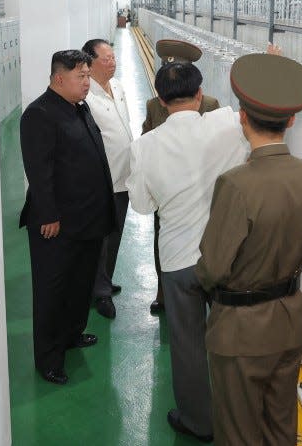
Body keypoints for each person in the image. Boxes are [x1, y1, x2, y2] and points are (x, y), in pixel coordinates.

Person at [195, 53, 302, 446]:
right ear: (291, 120)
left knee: (239, 432)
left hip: (240, 331)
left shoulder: (237, 184)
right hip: (289, 321)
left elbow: (213, 267)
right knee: (279, 428)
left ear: (241, 116)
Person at [128, 61, 250, 443]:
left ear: (161, 101)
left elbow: (143, 206)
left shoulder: (145, 146)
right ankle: (239, 416)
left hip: (179, 262)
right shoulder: (226, 125)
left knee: (188, 344)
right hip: (225, 255)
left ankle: (198, 421)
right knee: (233, 339)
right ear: (201, 95)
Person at [18, 49, 115, 386]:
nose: (88, 83)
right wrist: (48, 214)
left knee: (79, 284)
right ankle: (48, 358)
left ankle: (73, 334)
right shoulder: (39, 114)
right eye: (81, 77)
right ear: (59, 79)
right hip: (56, 224)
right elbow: (38, 170)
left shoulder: (79, 107)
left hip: (86, 218)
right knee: (52, 291)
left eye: (88, 75)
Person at [141, 39, 220, 315]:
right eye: (167, 64)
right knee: (161, 240)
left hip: (200, 185)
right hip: (167, 189)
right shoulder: (154, 106)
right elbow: (146, 135)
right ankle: (163, 294)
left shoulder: (210, 104)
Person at [81, 38, 133, 320]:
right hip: (102, 180)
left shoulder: (120, 87)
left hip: (124, 176)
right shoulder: (86, 96)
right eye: (107, 58)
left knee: (115, 234)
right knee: (100, 239)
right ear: (89, 61)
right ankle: (98, 292)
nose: (113, 62)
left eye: (114, 57)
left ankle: (106, 279)